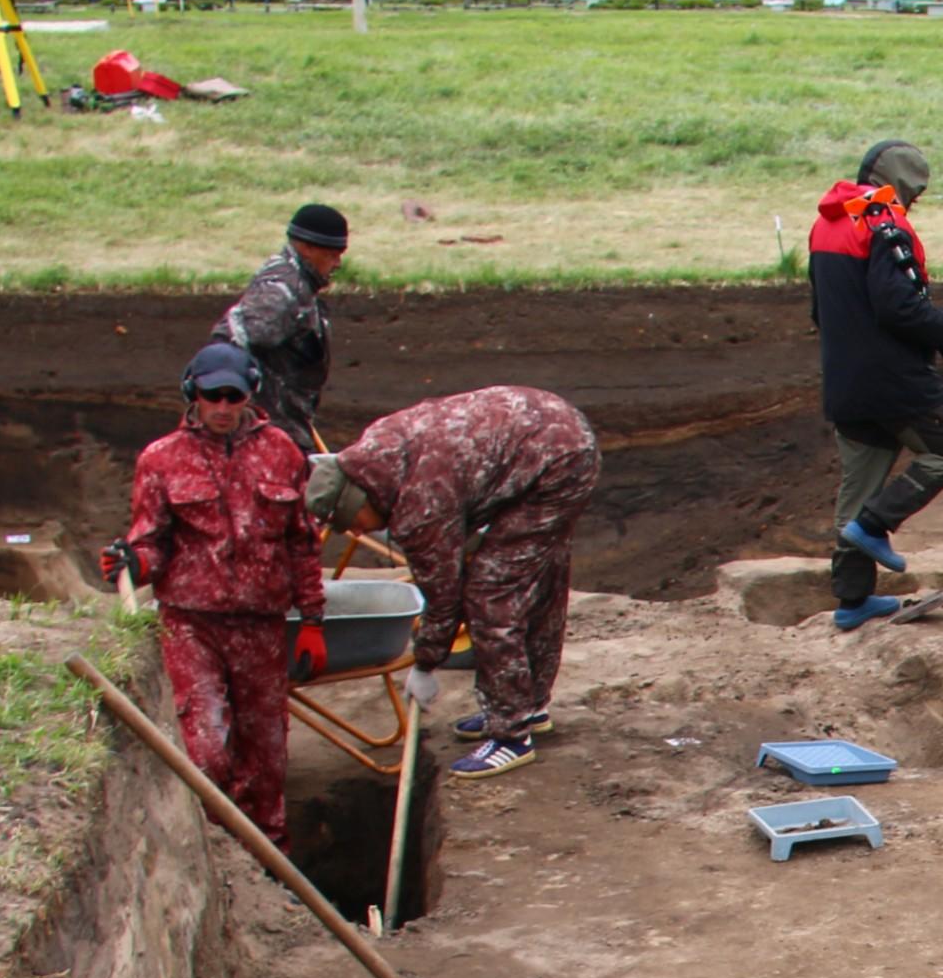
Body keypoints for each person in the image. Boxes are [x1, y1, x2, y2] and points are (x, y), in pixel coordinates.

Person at [304, 387, 600, 780]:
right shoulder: (378, 448)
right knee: (537, 575)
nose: (356, 533)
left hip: (554, 466)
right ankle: (527, 707)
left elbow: (444, 597)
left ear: (360, 500)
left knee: (489, 595)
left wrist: (426, 663)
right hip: (553, 431)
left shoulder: (418, 505)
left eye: (351, 522)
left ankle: (511, 734)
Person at [101, 344, 326, 846]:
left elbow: (302, 543)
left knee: (266, 754)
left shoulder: (282, 453)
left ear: (250, 395)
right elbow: (151, 542)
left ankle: (268, 858)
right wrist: (134, 564)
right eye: (212, 397)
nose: (223, 408)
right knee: (205, 748)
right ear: (192, 395)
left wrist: (312, 620)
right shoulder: (161, 460)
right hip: (190, 624)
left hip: (261, 627)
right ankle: (215, 848)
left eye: (233, 397)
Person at [807, 140, 943, 628]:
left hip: (844, 380)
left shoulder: (827, 222)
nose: (914, 202)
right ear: (897, 184)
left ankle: (852, 601)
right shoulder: (883, 223)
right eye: (914, 192)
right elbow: (898, 305)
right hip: (893, 379)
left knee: (857, 486)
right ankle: (875, 525)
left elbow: (820, 309)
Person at [212, 202, 348, 450]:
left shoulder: (295, 281)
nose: (337, 263)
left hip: (286, 420)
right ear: (307, 248)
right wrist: (235, 403)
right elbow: (233, 340)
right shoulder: (282, 288)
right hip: (269, 430)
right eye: (332, 254)